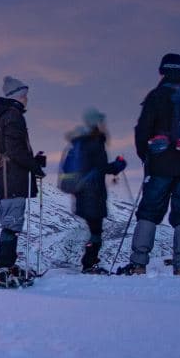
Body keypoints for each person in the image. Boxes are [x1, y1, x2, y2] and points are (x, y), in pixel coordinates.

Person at [118, 54, 180, 276]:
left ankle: (139, 264)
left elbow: (142, 129)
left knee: (149, 212)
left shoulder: (157, 96)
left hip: (161, 164)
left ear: (162, 71)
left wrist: (146, 156)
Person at [0, 76, 46, 285]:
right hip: (12, 179)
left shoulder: (5, 116)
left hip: (7, 179)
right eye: (24, 95)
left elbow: (13, 149)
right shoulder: (13, 117)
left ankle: (7, 267)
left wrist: (32, 161)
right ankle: (2, 270)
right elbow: (15, 150)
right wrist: (35, 166)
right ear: (17, 96)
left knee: (11, 223)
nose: (26, 99)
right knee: (11, 224)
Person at [65, 109, 127, 274]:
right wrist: (117, 166)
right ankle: (89, 263)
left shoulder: (81, 143)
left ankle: (89, 262)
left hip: (82, 193)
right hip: (93, 193)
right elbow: (100, 168)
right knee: (96, 232)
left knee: (94, 230)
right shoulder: (94, 142)